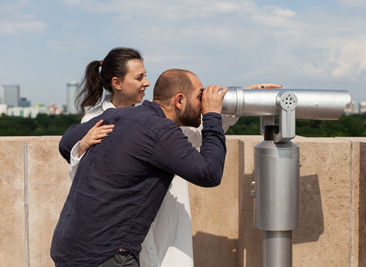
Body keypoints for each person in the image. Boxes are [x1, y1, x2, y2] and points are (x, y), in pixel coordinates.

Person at [68, 48, 282, 267]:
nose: (147, 83)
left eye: (146, 75)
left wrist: (244, 99)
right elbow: (83, 173)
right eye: (139, 77)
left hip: (161, 221)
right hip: (115, 235)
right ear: (117, 83)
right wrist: (80, 146)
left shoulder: (157, 118)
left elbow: (194, 135)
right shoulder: (97, 120)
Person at [51, 69, 228, 266]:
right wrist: (212, 116)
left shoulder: (118, 115)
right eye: (199, 97)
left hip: (69, 248)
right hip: (107, 255)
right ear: (179, 100)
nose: (202, 104)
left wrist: (83, 143)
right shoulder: (161, 130)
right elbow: (209, 173)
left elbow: (66, 142)